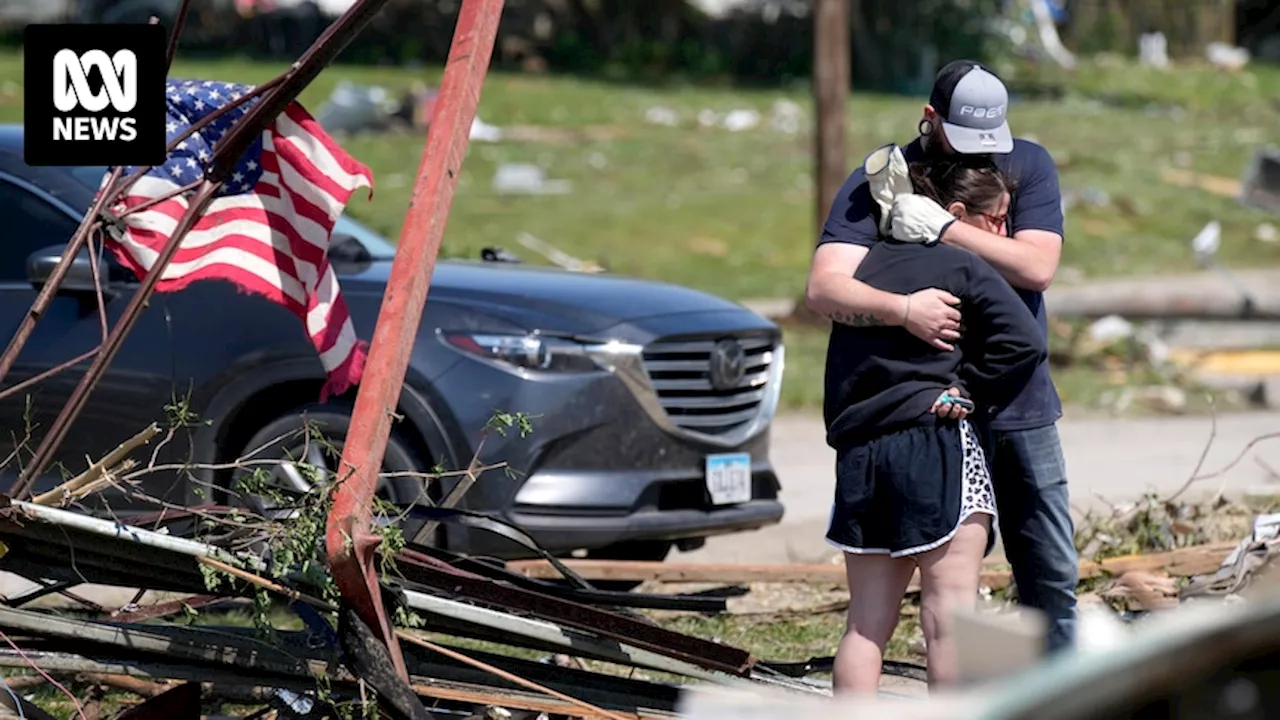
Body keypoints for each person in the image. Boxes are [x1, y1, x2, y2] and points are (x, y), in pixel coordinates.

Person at [805, 59, 1079, 654]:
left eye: (992, 142)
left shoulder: (1026, 164)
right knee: (944, 597)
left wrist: (944, 231)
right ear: (930, 119)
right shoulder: (880, 182)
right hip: (927, 412)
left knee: (1050, 573)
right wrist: (902, 311)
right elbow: (826, 288)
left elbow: (1038, 266)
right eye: (967, 140)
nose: (982, 157)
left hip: (1017, 402)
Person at [824, 147, 1047, 693]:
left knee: (865, 626)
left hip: (862, 454)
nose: (1003, 232)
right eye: (996, 219)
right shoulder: (962, 264)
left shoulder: (867, 271)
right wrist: (966, 388)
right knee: (948, 622)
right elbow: (1025, 343)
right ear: (954, 213)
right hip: (936, 444)